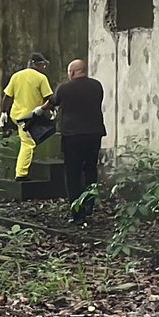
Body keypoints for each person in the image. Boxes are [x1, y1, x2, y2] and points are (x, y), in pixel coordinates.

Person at [51, 58, 106, 224]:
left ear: (72, 72)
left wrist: (39, 110)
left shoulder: (65, 88)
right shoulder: (97, 86)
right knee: (90, 169)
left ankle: (77, 212)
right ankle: (89, 204)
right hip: (93, 134)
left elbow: (53, 102)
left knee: (72, 174)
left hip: (72, 136)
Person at [0, 53, 55, 181]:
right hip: (31, 115)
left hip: (17, 114)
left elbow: (7, 96)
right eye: (42, 65)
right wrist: (52, 111)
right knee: (28, 143)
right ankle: (21, 174)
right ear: (36, 64)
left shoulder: (16, 76)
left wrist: (3, 112)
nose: (43, 67)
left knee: (31, 138)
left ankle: (24, 169)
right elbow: (49, 97)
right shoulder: (41, 78)